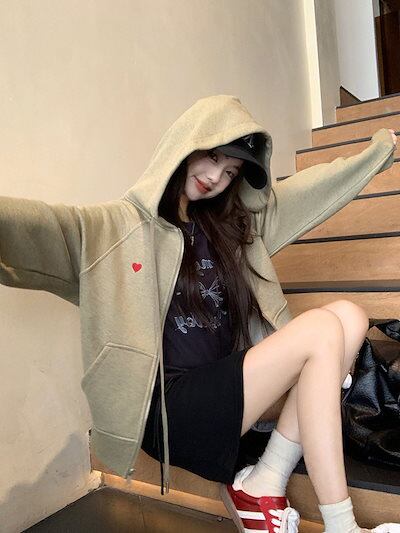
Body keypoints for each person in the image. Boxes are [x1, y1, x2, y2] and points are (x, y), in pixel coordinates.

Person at [0, 94, 398, 533]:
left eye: (230, 172)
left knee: (349, 316)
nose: (215, 177)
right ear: (185, 145)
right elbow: (35, 226)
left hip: (227, 389)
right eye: (212, 157)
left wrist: (379, 152)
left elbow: (312, 189)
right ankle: (342, 525)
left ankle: (265, 480)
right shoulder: (113, 229)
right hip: (171, 411)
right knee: (321, 328)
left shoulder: (232, 227)